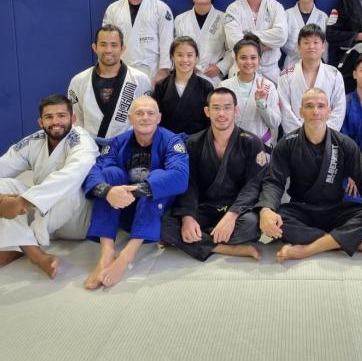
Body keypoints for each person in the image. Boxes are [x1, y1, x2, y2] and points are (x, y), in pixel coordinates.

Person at [0, 95, 98, 278]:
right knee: (3, 185)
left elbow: (72, 175)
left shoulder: (82, 141)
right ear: (40, 122)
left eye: (61, 115)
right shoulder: (33, 141)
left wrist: (22, 202)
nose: (55, 122)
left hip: (76, 221)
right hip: (42, 215)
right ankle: (35, 253)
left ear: (73, 118)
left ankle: (21, 247)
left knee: (72, 187)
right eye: (49, 117)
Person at [257, 88, 362, 263]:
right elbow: (274, 181)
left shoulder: (344, 143)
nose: (315, 111)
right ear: (301, 112)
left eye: (321, 106)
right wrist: (266, 209)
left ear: (329, 111)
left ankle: (308, 249)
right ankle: (339, 241)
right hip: (301, 210)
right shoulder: (286, 144)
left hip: (335, 209)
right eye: (309, 106)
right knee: (273, 220)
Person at [83, 96, 188, 289]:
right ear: (130, 118)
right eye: (139, 113)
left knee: (158, 177)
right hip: (124, 208)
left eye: (150, 113)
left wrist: (138, 190)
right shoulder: (118, 142)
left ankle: (126, 255)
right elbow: (96, 171)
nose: (145, 117)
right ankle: (107, 253)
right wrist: (108, 191)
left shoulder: (172, 141)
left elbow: (180, 176)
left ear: (159, 118)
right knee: (110, 173)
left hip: (157, 210)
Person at [161, 88, 266, 261]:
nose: (221, 113)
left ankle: (195, 239)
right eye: (216, 108)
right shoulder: (193, 143)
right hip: (205, 208)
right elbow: (189, 184)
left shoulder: (251, 142)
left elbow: (253, 185)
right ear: (207, 111)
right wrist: (188, 217)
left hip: (237, 209)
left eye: (227, 108)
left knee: (252, 225)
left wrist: (232, 215)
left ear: (236, 110)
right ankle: (223, 247)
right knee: (163, 222)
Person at [68, 25, 151, 141]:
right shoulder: (78, 81)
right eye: (103, 44)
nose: (108, 50)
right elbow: (76, 120)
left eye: (114, 45)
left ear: (122, 48)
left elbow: (146, 118)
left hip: (127, 145)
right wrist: (84, 145)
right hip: (91, 146)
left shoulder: (140, 79)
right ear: (95, 47)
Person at [102, 0, 174, 83]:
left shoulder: (161, 8)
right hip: (121, 70)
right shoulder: (113, 9)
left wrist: (164, 70)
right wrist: (107, 68)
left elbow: (167, 41)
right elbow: (106, 41)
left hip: (153, 71)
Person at [224, 0, 288, 83]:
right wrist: (265, 45)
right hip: (241, 69)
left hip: (270, 71)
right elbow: (234, 41)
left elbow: (281, 36)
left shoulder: (276, 7)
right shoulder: (233, 9)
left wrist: (248, 35)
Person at [278, 24, 346, 134]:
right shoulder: (285, 75)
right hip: (295, 137)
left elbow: (339, 109)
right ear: (299, 47)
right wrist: (301, 136)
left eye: (315, 42)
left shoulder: (334, 75)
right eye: (306, 43)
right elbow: (285, 111)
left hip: (327, 136)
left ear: (323, 46)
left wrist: (324, 135)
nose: (311, 46)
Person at [221, 34, 281, 150]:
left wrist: (262, 104)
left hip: (260, 148)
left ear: (259, 59)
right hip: (232, 146)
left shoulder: (268, 86)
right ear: (236, 59)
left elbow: (275, 123)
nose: (248, 62)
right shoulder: (224, 86)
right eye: (243, 58)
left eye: (253, 58)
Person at [174, 0, 232, 87]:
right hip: (186, 74)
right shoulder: (180, 19)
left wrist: (220, 68)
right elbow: (175, 50)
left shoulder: (224, 19)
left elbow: (232, 49)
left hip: (213, 77)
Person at [152, 36, 213, 136]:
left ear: (196, 58)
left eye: (189, 55)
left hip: (197, 141)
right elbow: (155, 117)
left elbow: (210, 121)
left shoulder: (206, 87)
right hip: (168, 141)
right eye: (180, 55)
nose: (185, 60)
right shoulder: (161, 86)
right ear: (172, 57)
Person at [282, 0, 328, 67]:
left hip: (316, 64)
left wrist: (323, 64)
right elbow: (282, 41)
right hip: (293, 64)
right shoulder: (286, 15)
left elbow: (325, 45)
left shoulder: (323, 17)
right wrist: (303, 50)